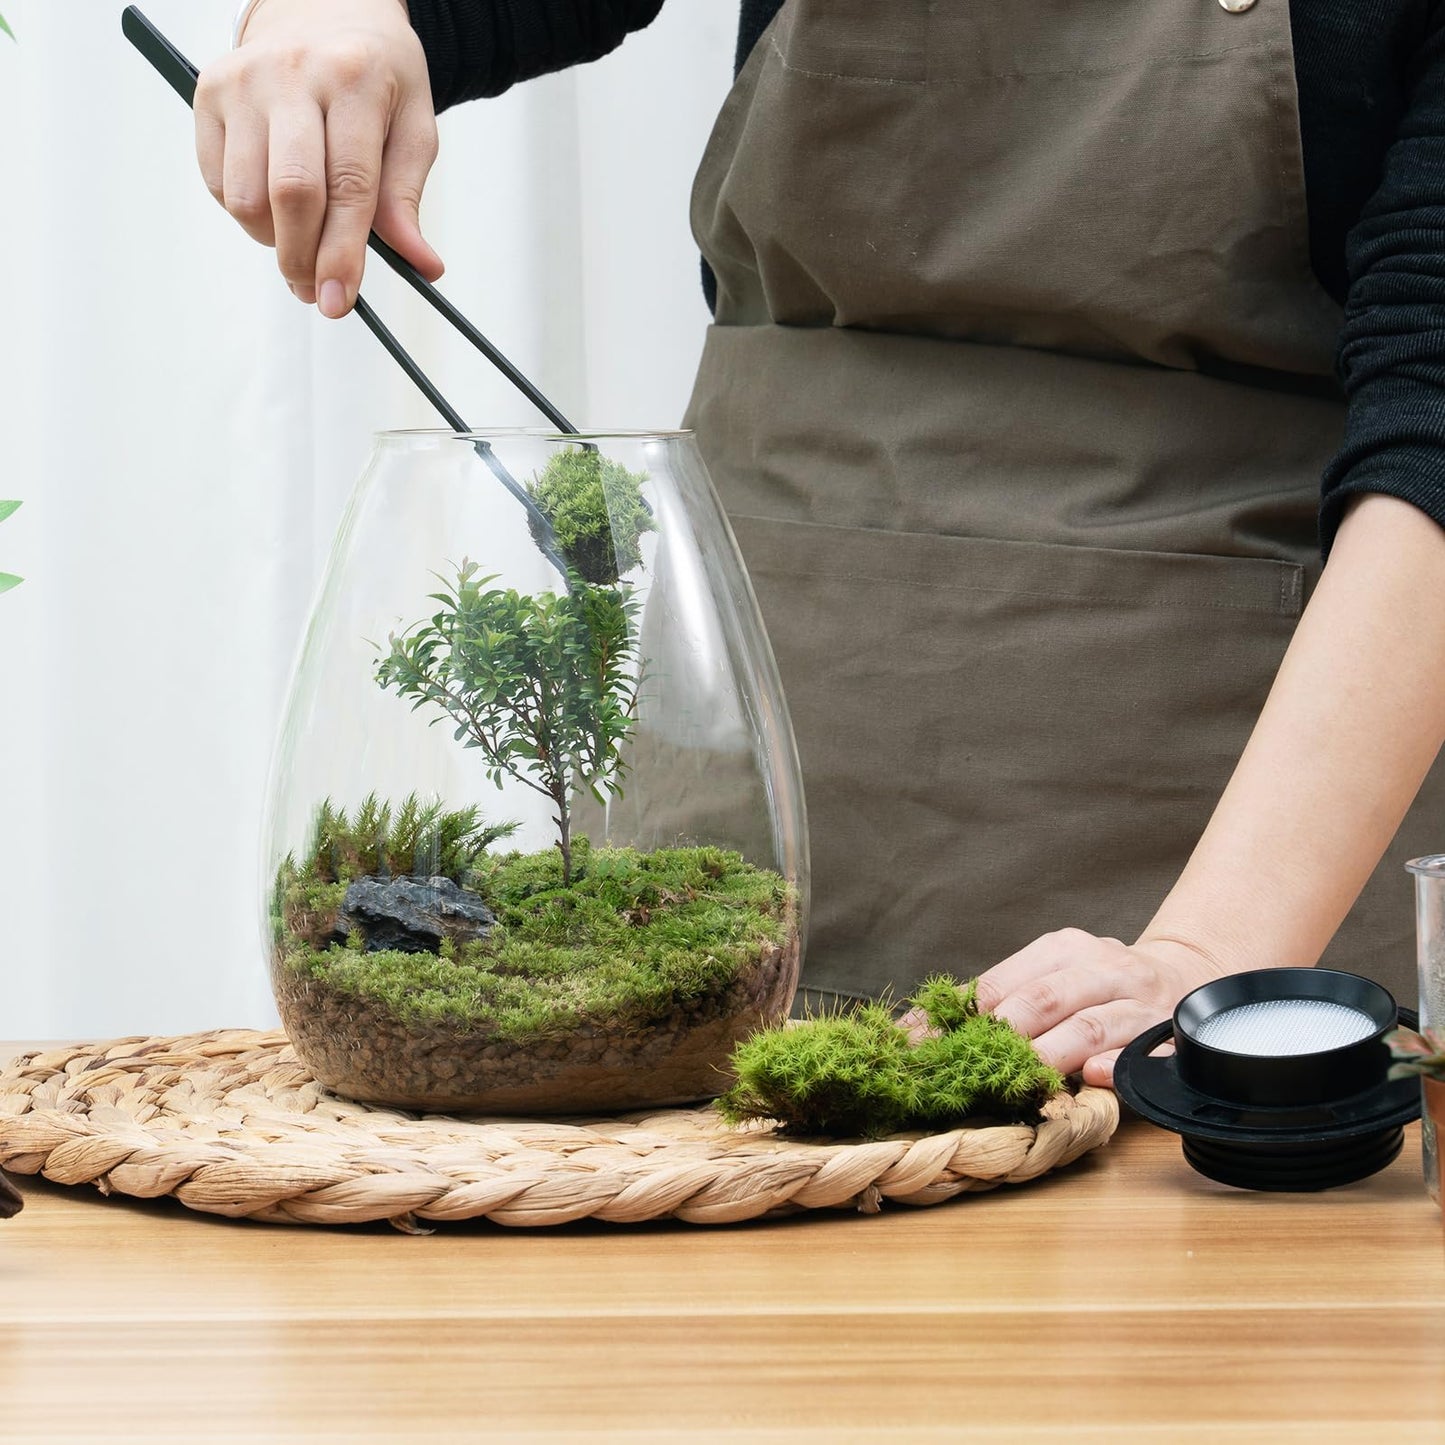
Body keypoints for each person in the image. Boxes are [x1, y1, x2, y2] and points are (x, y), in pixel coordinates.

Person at [194, 0, 1445, 1087]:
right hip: (732, 844)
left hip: (1222, 869)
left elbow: (1429, 413)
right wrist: (341, 18)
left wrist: (1202, 961)